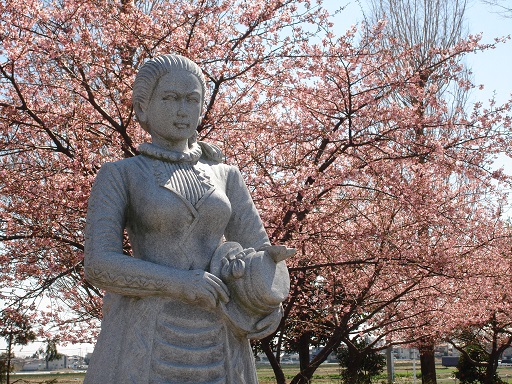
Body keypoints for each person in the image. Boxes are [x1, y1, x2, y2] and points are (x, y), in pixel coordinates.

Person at [83, 54, 289, 384]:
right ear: (142, 108)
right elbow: (98, 263)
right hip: (147, 333)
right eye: (170, 98)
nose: (183, 110)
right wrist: (179, 283)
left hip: (222, 333)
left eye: (192, 100)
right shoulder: (121, 175)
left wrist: (267, 298)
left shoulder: (226, 175)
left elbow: (263, 255)